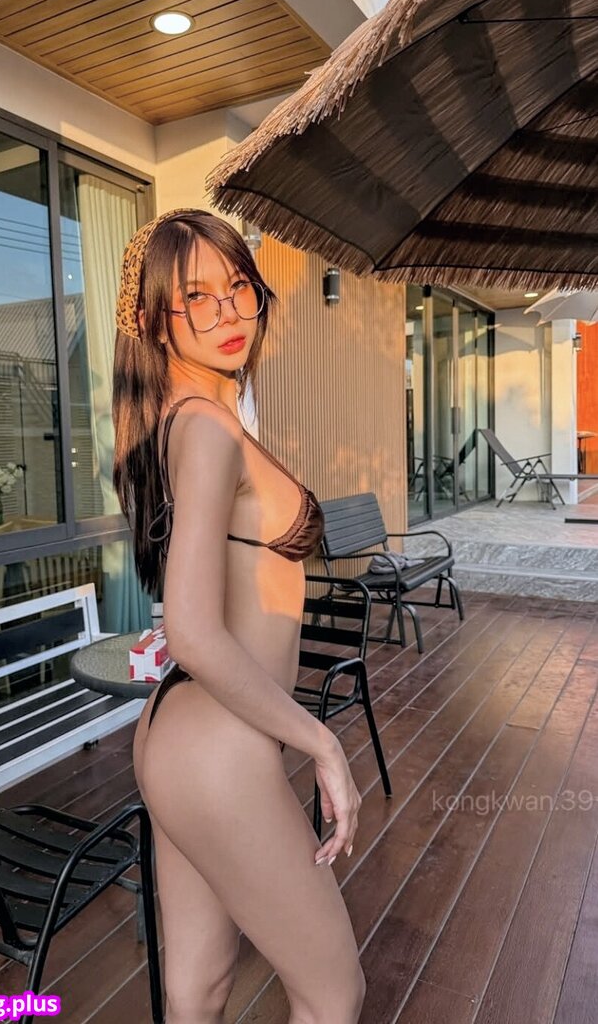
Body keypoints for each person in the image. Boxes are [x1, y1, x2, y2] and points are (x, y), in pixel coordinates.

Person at [112, 208, 365, 1024]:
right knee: (334, 995)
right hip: (217, 747)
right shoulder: (205, 429)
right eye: (196, 296)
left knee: (198, 991)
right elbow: (191, 630)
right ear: (154, 320)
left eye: (239, 288)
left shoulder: (188, 421)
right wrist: (322, 741)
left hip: (181, 736)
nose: (228, 312)